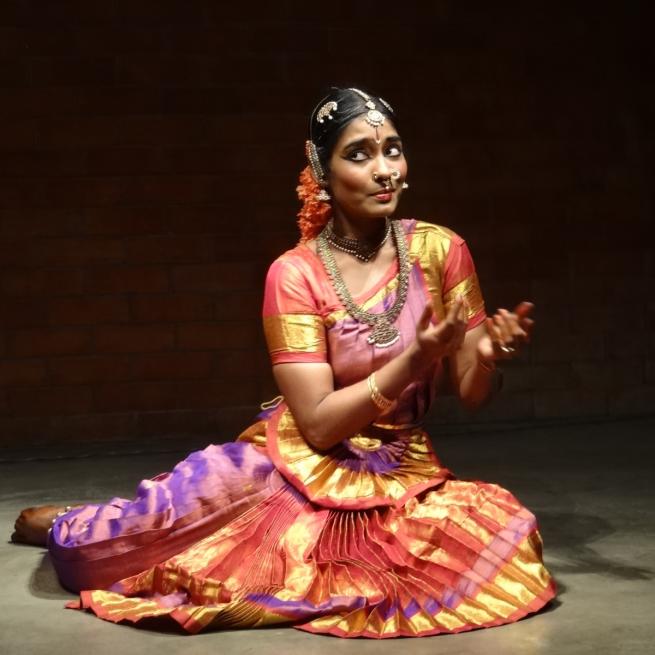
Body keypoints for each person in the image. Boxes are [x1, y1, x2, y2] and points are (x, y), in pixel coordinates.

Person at [12, 87, 556, 638]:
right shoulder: (295, 274)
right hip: (295, 466)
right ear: (321, 168)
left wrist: (486, 357)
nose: (385, 169)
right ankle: (71, 519)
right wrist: (415, 356)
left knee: (502, 533)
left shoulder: (441, 250)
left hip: (402, 471)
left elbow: (471, 392)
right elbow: (318, 424)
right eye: (360, 154)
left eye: (393, 149)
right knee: (136, 544)